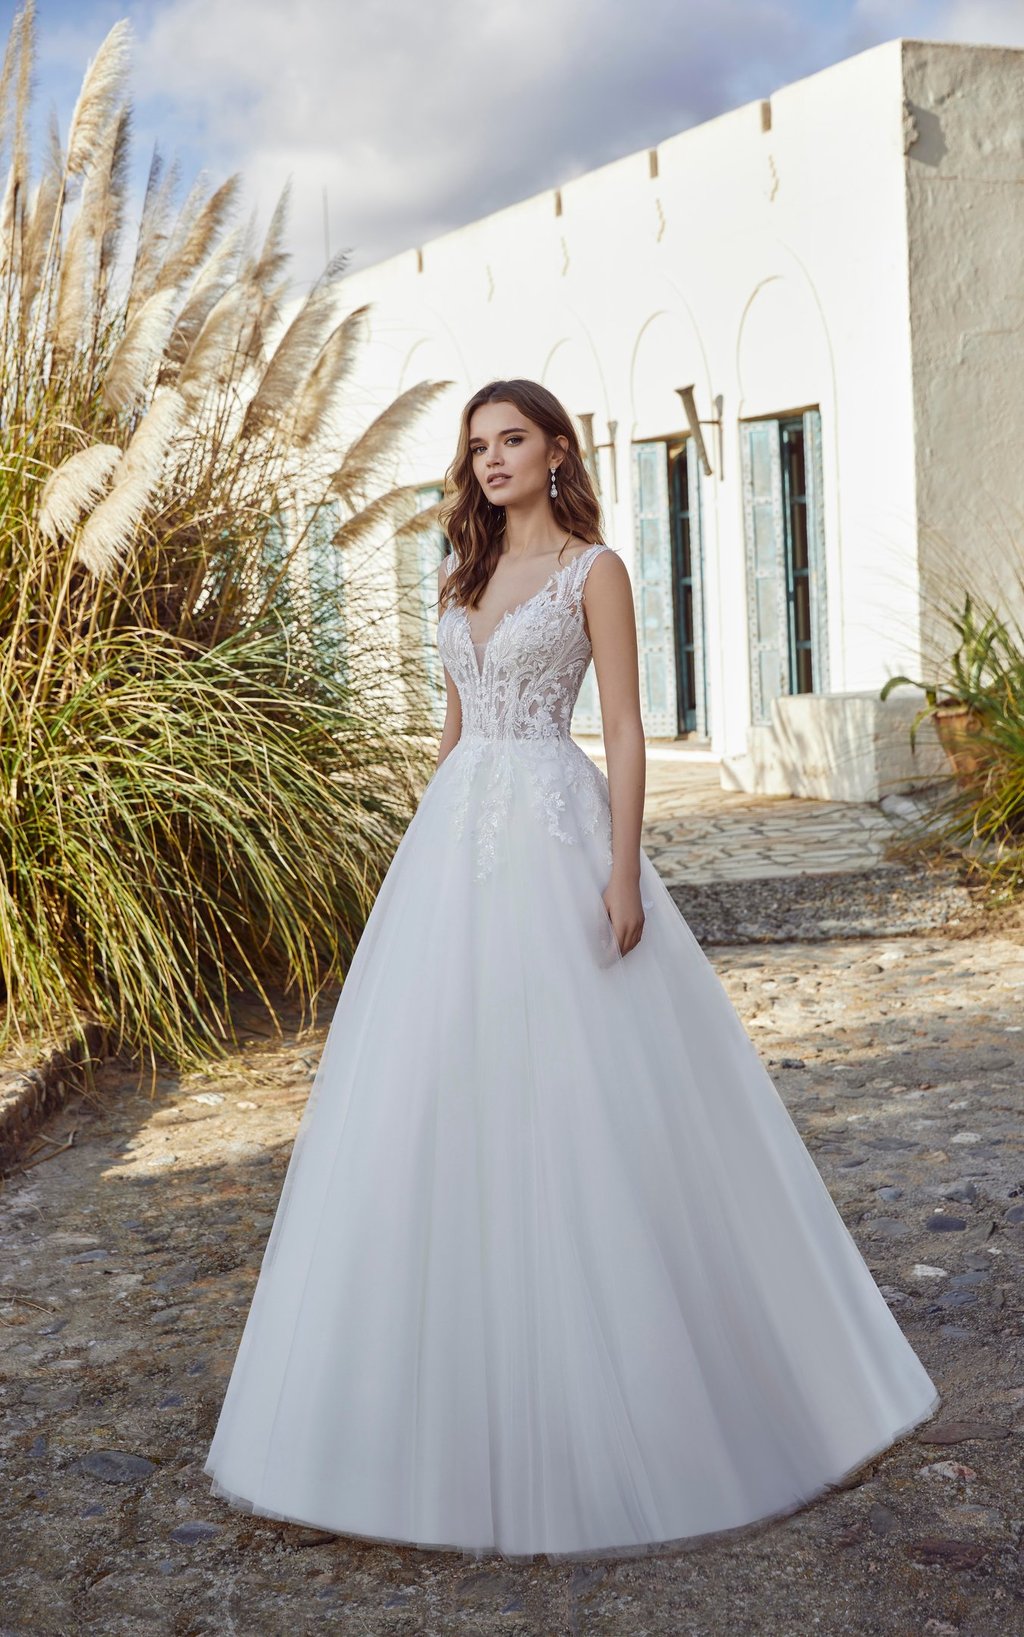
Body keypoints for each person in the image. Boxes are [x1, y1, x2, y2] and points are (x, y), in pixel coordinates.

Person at [202, 377, 940, 1564]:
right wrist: (415, 859)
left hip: (555, 830)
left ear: (556, 450)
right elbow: (453, 736)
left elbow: (629, 727)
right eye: (477, 446)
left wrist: (623, 867)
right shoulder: (460, 574)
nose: (490, 460)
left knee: (582, 1091)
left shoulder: (595, 571)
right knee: (432, 1095)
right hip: (455, 846)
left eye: (512, 440)